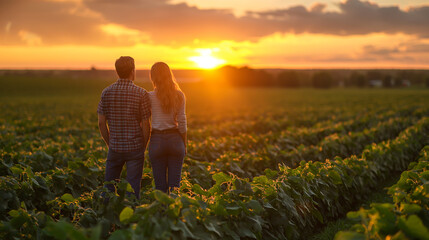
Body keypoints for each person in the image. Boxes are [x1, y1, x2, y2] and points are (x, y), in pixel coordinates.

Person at [97, 56, 151, 199]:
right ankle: (130, 216)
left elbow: (101, 123)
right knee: (132, 189)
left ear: (117, 72)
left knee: (109, 187)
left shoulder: (106, 92)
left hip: (115, 146)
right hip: (135, 147)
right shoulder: (141, 93)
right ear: (133, 71)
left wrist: (110, 143)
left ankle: (106, 215)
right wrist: (143, 146)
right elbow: (146, 124)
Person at [148, 62, 187, 193]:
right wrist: (184, 143)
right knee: (175, 187)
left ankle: (161, 211)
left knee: (160, 188)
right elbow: (182, 122)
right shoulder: (179, 95)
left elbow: (144, 121)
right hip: (175, 139)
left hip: (156, 140)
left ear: (153, 77)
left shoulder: (149, 97)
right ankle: (173, 212)